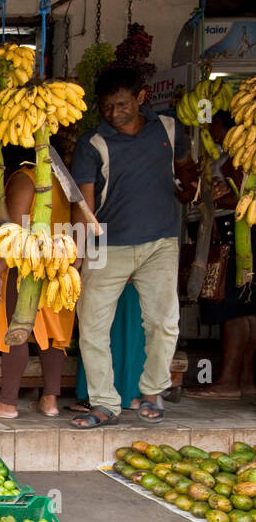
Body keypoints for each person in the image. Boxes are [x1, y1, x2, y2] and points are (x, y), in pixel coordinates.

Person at [69, 65, 191, 428]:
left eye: (122, 104)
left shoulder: (168, 128)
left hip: (160, 242)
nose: (114, 114)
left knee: (163, 322)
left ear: (141, 98)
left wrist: (191, 184)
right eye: (106, 107)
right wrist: (77, 254)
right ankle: (104, 403)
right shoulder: (92, 143)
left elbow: (185, 167)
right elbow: (84, 206)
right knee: (92, 327)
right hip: (108, 245)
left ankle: (153, 390)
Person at [0, 145, 76, 418]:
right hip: (57, 262)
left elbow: (16, 229)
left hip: (25, 264)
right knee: (50, 334)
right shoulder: (62, 181)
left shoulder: (24, 178)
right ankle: (50, 401)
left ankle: (7, 402)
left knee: (16, 331)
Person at [184, 112, 255, 399]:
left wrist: (203, 194)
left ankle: (227, 381)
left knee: (233, 313)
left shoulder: (240, 160)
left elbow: (239, 199)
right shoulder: (230, 158)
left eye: (214, 126)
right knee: (247, 314)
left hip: (234, 242)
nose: (211, 132)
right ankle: (245, 381)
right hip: (238, 241)